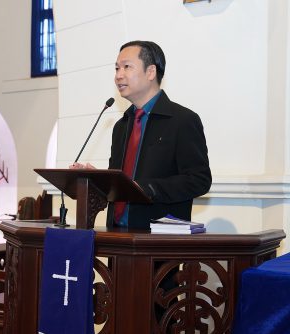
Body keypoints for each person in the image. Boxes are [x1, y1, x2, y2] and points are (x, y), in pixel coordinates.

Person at [71, 40, 212, 229]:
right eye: (116, 68)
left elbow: (199, 180)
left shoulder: (182, 120)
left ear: (151, 72)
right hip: (115, 233)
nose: (118, 75)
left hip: (157, 236)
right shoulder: (122, 126)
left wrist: (146, 188)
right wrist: (98, 180)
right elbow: (120, 183)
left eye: (127, 67)